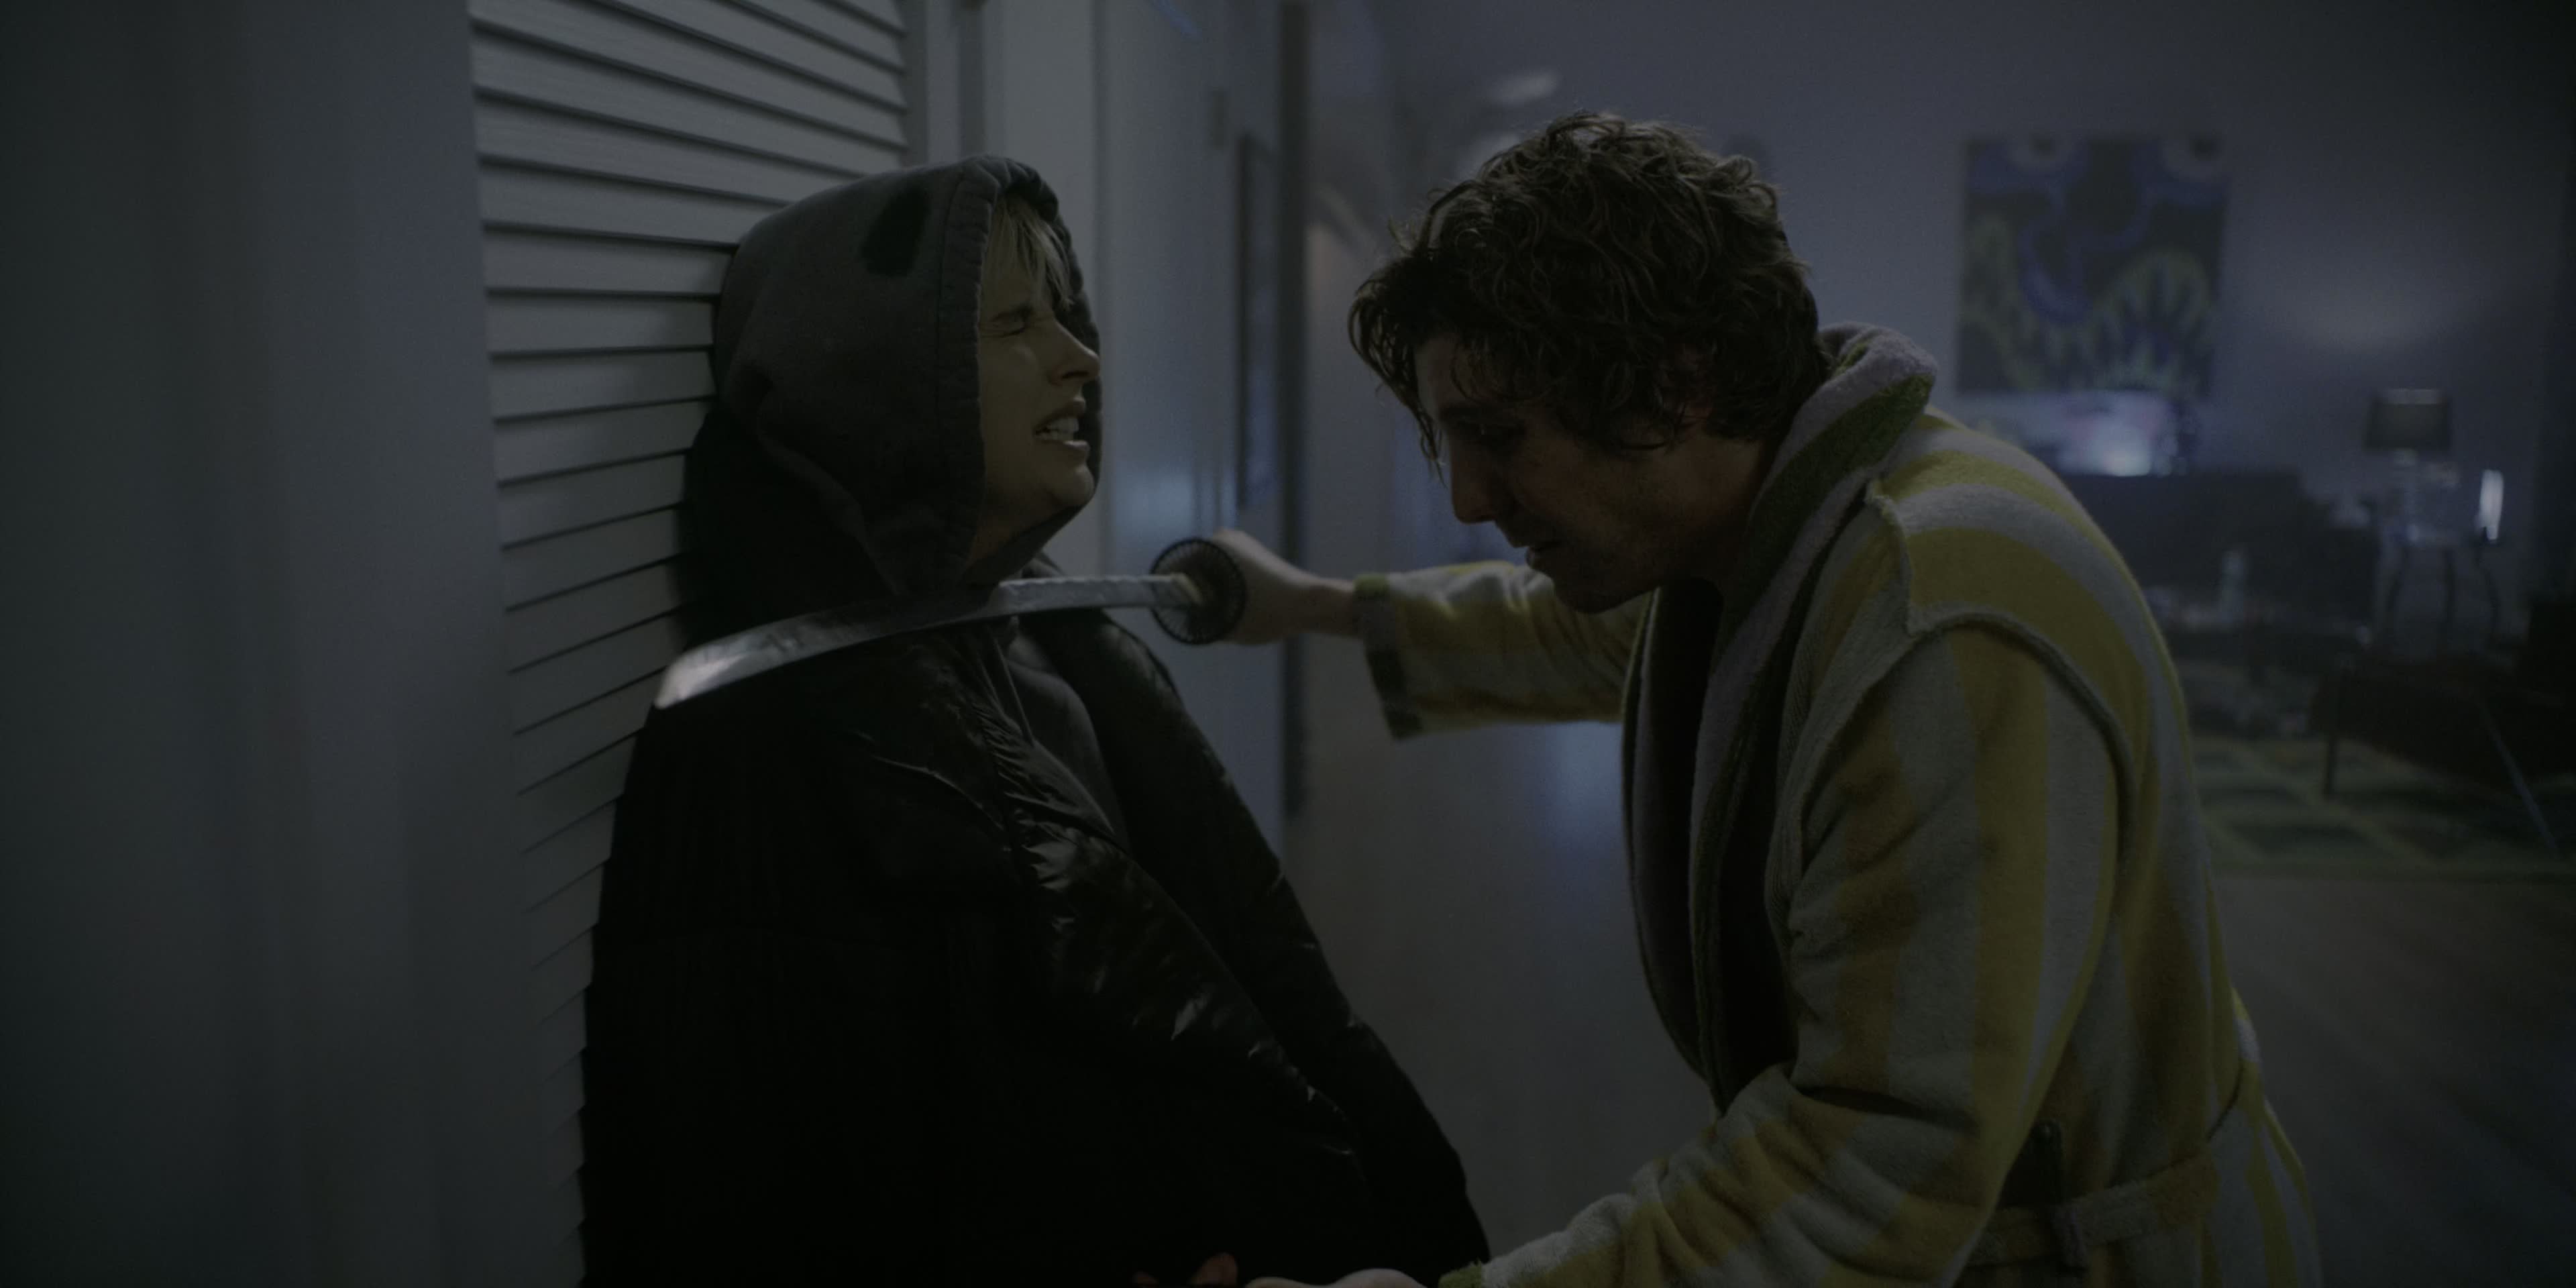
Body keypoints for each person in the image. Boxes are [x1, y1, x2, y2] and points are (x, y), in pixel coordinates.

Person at [1224, 114, 2322, 1288]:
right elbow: (1574, 631)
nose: (1469, 499)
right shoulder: (1785, 522)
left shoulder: (1936, 627)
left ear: (1681, 382)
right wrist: (1308, 606)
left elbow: (1874, 1164)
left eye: (1499, 436)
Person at [578, 157, 1487, 1287]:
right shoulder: (765, 750)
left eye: (1062, 314)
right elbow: (765, 1213)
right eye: (1015, 324)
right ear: (876, 383)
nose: (1081, 359)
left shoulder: (1049, 642)